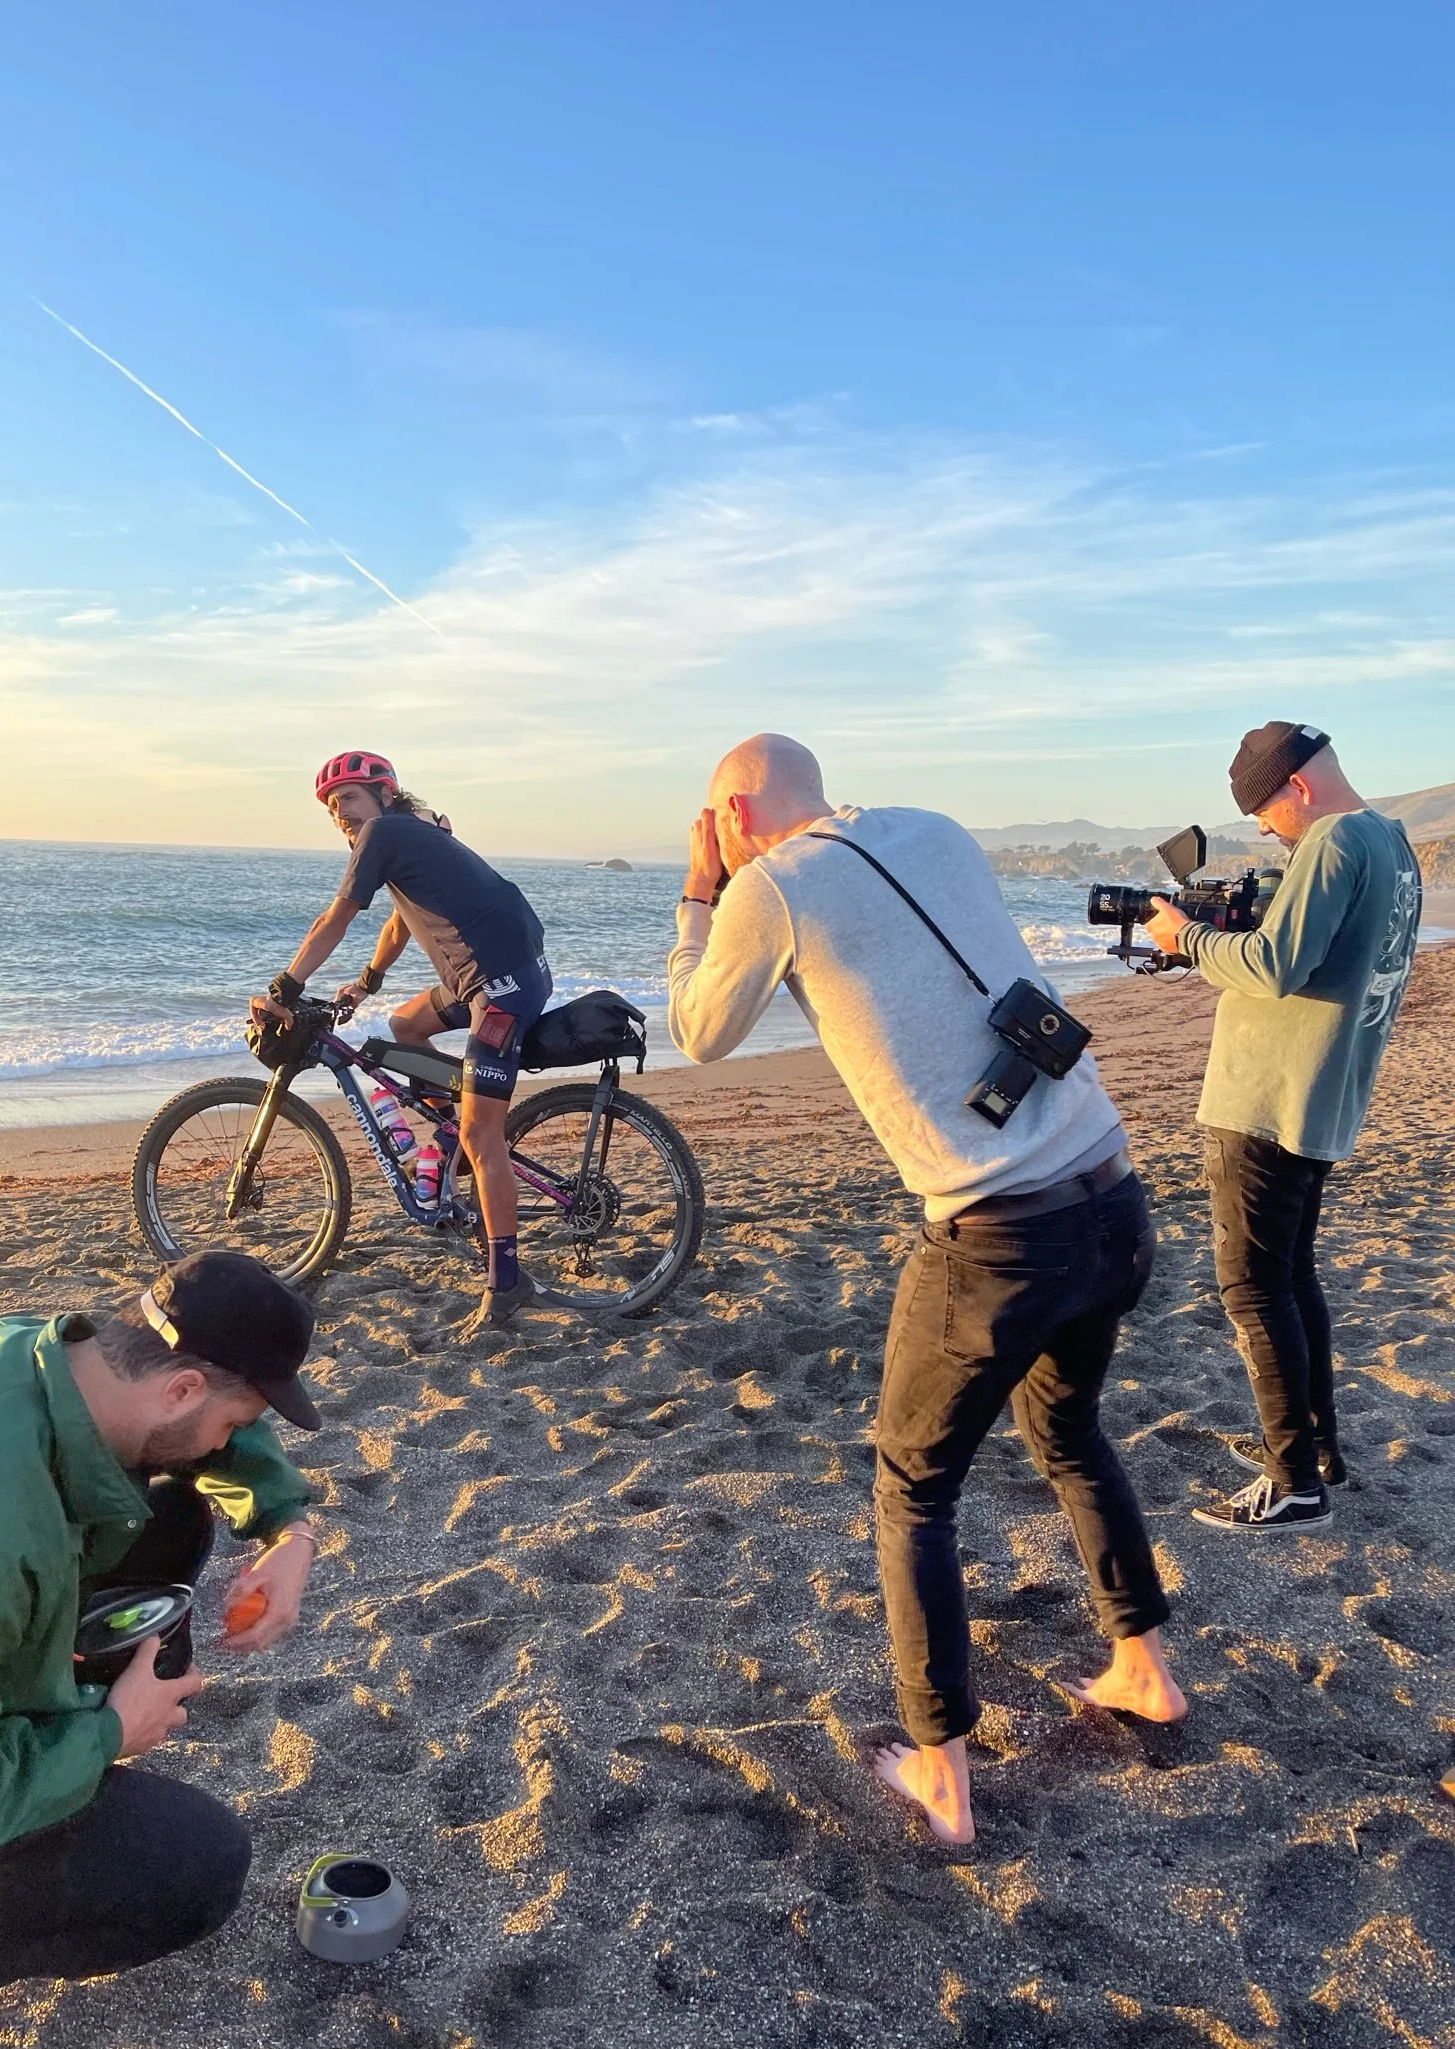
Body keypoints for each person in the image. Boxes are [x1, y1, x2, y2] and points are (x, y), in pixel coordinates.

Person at [667, 733, 1184, 1848]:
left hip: (999, 1235)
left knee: (913, 1484)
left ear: (739, 808)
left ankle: (941, 1769)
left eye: (712, 813)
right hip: (1113, 1191)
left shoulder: (769, 883)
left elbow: (701, 1034)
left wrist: (700, 895)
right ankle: (1143, 1664)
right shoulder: (939, 831)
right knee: (1072, 1429)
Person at [0, 1252, 322, 2015]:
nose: (226, 1442)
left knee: (168, 1510)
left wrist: (287, 1527)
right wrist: (107, 1733)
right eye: (232, 1421)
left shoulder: (36, 1351)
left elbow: (209, 1431)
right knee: (195, 1865)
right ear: (181, 1386)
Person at [1143, 723, 1422, 1533]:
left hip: (1266, 1098)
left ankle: (1294, 1480)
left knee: (1253, 1287)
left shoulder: (1333, 841)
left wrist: (1185, 939)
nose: (1266, 829)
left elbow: (1273, 967)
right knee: (1292, 1277)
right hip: (1323, 1092)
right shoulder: (1391, 843)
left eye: (1267, 811)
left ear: (1296, 787)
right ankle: (1313, 1446)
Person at [249, 749, 553, 1331]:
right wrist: (365, 984)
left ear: (385, 794)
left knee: (484, 1133)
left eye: (349, 799)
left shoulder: (384, 831)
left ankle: (507, 1281)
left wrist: (285, 987)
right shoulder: (412, 831)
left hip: (501, 988)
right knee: (407, 1027)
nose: (340, 813)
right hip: (500, 974)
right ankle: (453, 1132)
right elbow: (399, 921)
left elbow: (337, 917)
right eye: (333, 807)